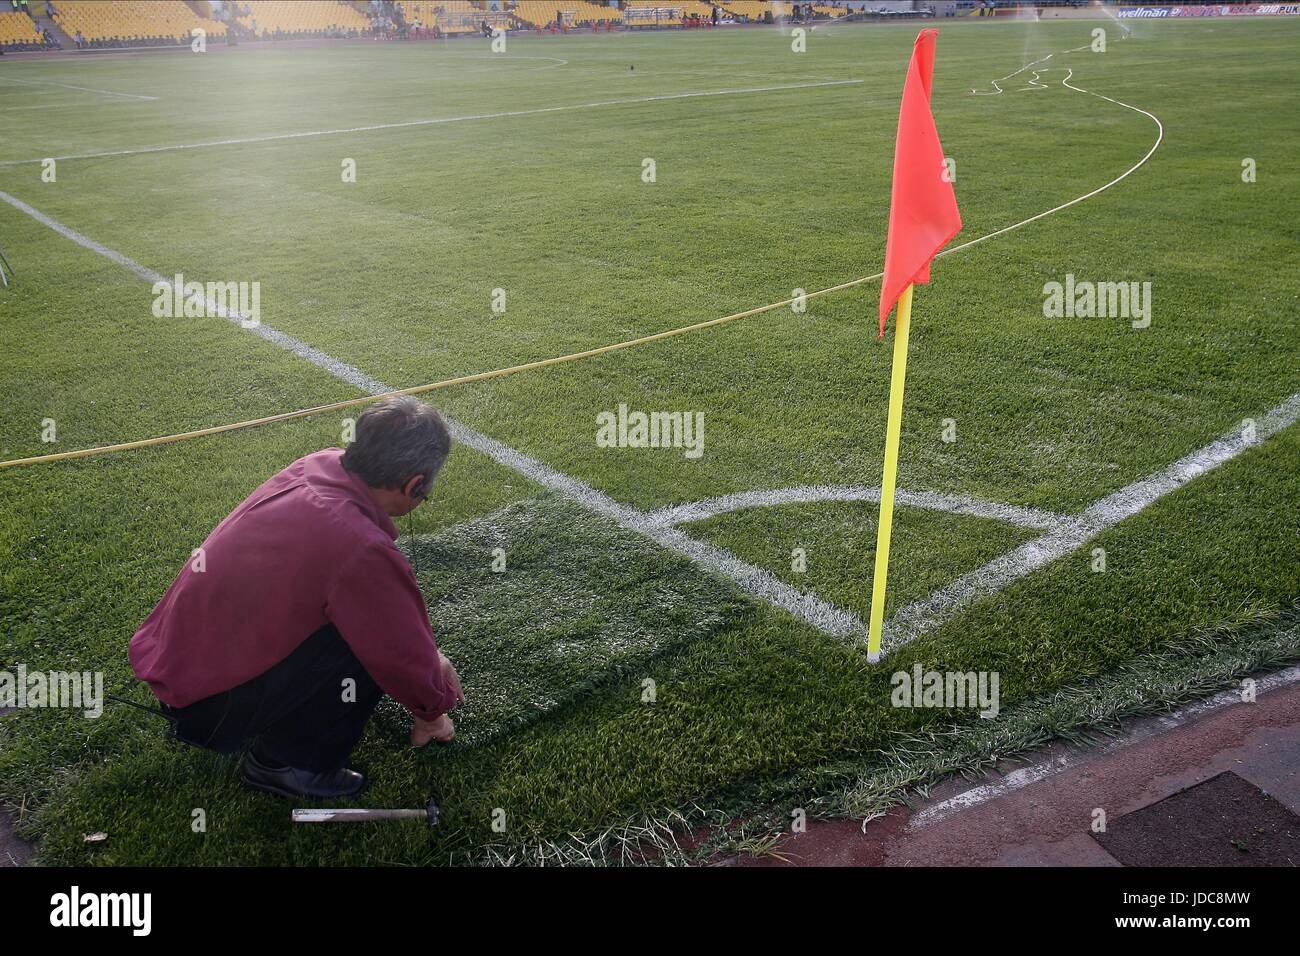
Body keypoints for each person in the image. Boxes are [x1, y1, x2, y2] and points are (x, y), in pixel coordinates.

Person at [129, 397, 464, 798]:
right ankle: (289, 763)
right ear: (414, 485)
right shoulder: (359, 547)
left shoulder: (315, 465)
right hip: (207, 708)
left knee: (347, 622)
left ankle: (277, 716)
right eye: (426, 491)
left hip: (173, 665)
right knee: (363, 640)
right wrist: (432, 711)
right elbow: (400, 650)